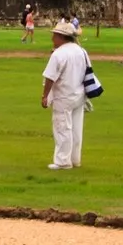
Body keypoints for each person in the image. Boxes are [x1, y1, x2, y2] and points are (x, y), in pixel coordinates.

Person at [41, 21, 91, 170]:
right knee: (76, 129)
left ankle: (63, 161)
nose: (52, 39)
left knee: (62, 128)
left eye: (54, 36)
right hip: (79, 95)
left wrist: (45, 96)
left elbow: (50, 77)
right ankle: (75, 159)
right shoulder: (81, 51)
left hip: (64, 96)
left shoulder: (59, 54)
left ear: (61, 37)